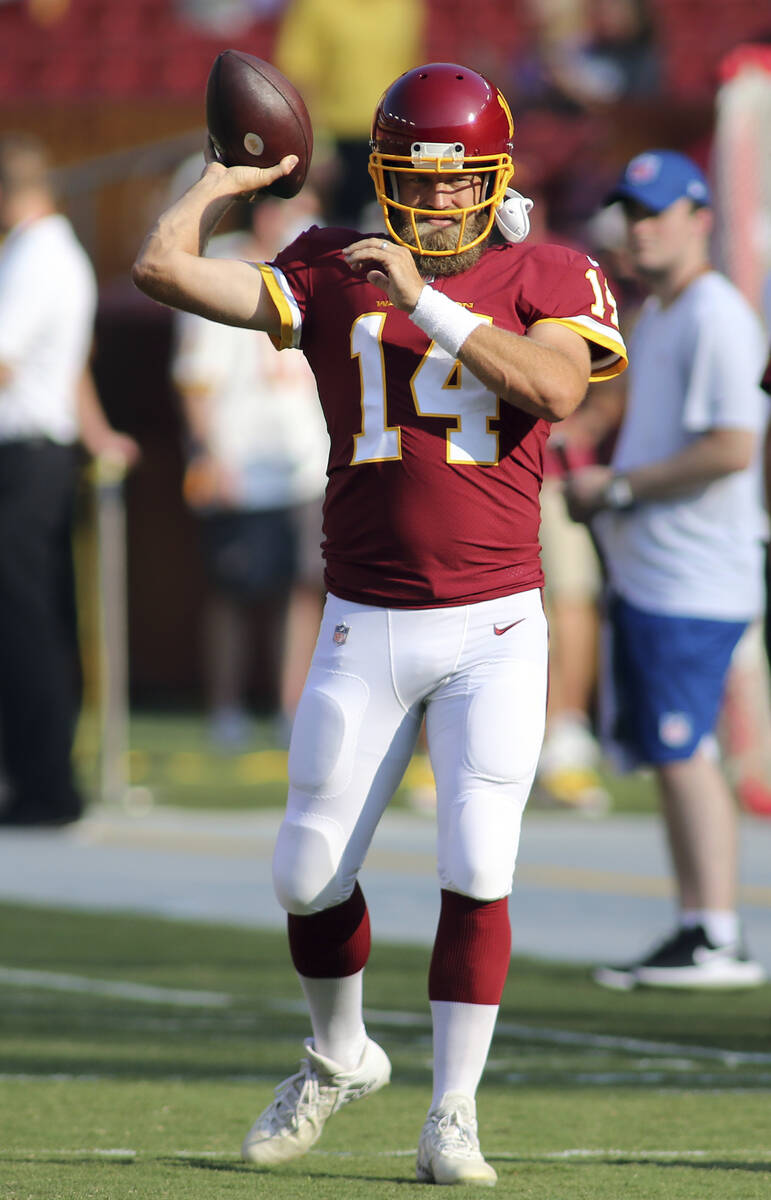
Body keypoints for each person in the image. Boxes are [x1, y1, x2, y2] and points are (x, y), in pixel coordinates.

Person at [132, 62, 626, 1186]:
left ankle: (453, 1113)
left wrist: (426, 300)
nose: (439, 203)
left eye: (457, 186)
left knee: (477, 862)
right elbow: (158, 268)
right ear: (386, 177)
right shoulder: (329, 266)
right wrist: (220, 178)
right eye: (416, 181)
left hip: (496, 623)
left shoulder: (547, 269)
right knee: (306, 874)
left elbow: (554, 393)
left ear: (494, 179)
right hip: (365, 615)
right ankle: (342, 1052)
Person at [565, 149, 769, 990]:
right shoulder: (658, 314)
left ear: (699, 218)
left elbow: (731, 446)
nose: (640, 227)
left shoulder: (715, 313)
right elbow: (626, 408)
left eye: (655, 212)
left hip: (696, 572)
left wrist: (613, 487)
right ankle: (695, 922)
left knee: (686, 751)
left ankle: (717, 932)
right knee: (668, 749)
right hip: (660, 570)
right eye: (632, 212)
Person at [0, 133, 139, 827]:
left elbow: (5, 359)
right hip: (39, 452)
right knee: (33, 620)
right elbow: (72, 364)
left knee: (25, 625)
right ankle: (39, 779)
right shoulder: (49, 254)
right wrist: (96, 430)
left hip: (25, 458)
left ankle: (44, 784)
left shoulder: (37, 255)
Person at [171, 189, 329, 750]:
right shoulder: (226, 270)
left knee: (304, 587)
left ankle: (290, 705)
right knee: (233, 590)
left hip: (304, 460)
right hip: (242, 458)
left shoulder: (318, 273)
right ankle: (227, 709)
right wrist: (209, 453)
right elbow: (196, 379)